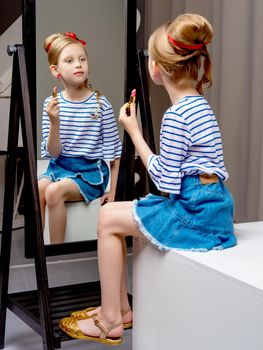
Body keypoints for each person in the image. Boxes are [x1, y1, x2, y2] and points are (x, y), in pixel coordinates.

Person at [59, 14, 237, 345]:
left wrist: (134, 132)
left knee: (106, 221)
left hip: (194, 214)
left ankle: (111, 319)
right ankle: (121, 310)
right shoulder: (200, 105)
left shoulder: (176, 115)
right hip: (214, 205)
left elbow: (165, 182)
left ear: (158, 69)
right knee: (110, 215)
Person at [38, 32, 122, 243]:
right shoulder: (52, 104)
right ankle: (38, 250)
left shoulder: (100, 104)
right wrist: (54, 122)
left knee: (54, 192)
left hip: (90, 172)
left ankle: (56, 253)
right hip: (60, 167)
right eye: (70, 60)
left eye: (82, 59)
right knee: (38, 188)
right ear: (56, 70)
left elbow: (114, 151)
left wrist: (113, 190)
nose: (78, 64)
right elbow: (54, 153)